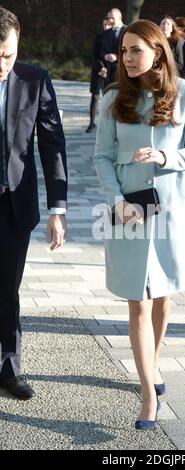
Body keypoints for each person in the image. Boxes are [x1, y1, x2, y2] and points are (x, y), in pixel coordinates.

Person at [94, 19, 185, 429]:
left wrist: (166, 158)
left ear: (158, 51)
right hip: (127, 211)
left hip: (170, 210)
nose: (127, 58)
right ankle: (147, 392)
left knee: (161, 295)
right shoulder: (112, 98)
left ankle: (154, 366)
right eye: (124, 51)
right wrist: (115, 201)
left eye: (135, 50)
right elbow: (101, 157)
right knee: (137, 301)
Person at [0, 7, 67, 399]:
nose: (2, 64)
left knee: (7, 288)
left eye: (8, 55)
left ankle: (9, 366)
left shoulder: (35, 80)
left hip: (13, 204)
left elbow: (53, 145)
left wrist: (58, 209)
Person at [86, 18, 112, 133]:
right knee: (95, 96)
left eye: (108, 25)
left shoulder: (113, 38)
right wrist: (102, 67)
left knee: (109, 97)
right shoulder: (99, 37)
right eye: (104, 24)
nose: (106, 27)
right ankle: (91, 123)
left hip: (110, 71)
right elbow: (95, 54)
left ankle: (107, 124)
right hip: (98, 70)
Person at [100, 8, 126, 86]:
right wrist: (105, 56)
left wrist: (117, 57)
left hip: (123, 72)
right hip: (109, 73)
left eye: (113, 18)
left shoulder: (127, 31)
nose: (110, 21)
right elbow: (101, 50)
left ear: (120, 18)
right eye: (109, 18)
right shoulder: (107, 33)